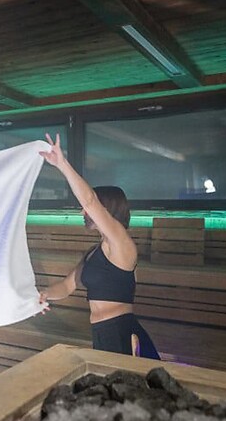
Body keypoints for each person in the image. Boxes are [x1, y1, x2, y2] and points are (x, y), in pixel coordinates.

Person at [37, 133, 160, 359]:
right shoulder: (94, 252)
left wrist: (62, 164)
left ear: (106, 210)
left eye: (87, 210)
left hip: (122, 333)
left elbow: (89, 201)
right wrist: (44, 294)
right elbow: (67, 286)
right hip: (101, 333)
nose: (82, 212)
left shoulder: (122, 244)